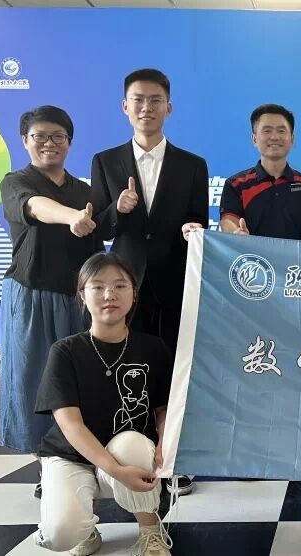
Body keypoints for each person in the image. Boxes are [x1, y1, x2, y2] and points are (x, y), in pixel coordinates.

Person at [91, 69, 208, 495]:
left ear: (168, 107)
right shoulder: (105, 161)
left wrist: (193, 229)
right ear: (125, 106)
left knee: (177, 370)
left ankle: (177, 456)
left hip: (175, 283)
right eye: (138, 100)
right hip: (124, 288)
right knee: (128, 370)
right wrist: (118, 209)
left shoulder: (192, 164)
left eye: (155, 100)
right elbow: (100, 226)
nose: (146, 108)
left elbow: (199, 221)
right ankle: (131, 454)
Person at [33, 252, 173, 556]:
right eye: (97, 287)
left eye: (120, 286)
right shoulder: (65, 351)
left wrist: (164, 442)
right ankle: (85, 528)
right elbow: (70, 425)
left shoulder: (153, 347)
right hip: (72, 455)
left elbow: (163, 408)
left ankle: (150, 530)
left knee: (134, 444)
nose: (109, 294)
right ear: (82, 296)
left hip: (128, 451)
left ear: (134, 294)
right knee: (60, 536)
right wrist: (113, 469)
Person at [0, 105, 102, 454]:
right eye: (40, 136)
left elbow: (98, 243)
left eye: (58, 136)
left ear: (69, 142)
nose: (49, 143)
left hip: (77, 298)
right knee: (32, 377)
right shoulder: (15, 182)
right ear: (25, 141)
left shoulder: (84, 191)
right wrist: (71, 217)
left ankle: (79, 453)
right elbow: (34, 206)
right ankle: (43, 458)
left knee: (77, 378)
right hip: (31, 293)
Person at [220, 104, 301, 240]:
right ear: (254, 139)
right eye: (267, 131)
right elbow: (228, 221)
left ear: (292, 139)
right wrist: (237, 234)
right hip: (250, 254)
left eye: (281, 131)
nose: (275, 137)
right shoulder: (236, 184)